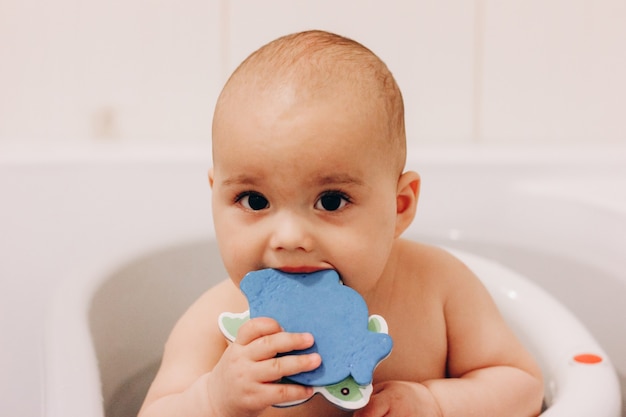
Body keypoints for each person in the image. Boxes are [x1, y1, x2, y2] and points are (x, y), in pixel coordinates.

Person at [138, 30, 544, 417]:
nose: (290, 237)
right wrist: (212, 400)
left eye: (331, 201)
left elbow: (523, 387)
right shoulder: (215, 323)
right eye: (254, 200)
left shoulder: (440, 289)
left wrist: (434, 404)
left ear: (400, 206)